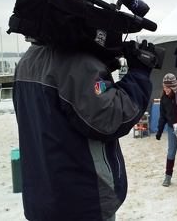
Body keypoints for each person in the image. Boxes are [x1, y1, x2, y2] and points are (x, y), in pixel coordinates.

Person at [13, 39, 157, 220]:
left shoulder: (29, 58)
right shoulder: (76, 60)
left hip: (41, 195)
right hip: (83, 198)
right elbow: (110, 118)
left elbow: (68, 106)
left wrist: (102, 65)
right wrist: (139, 74)